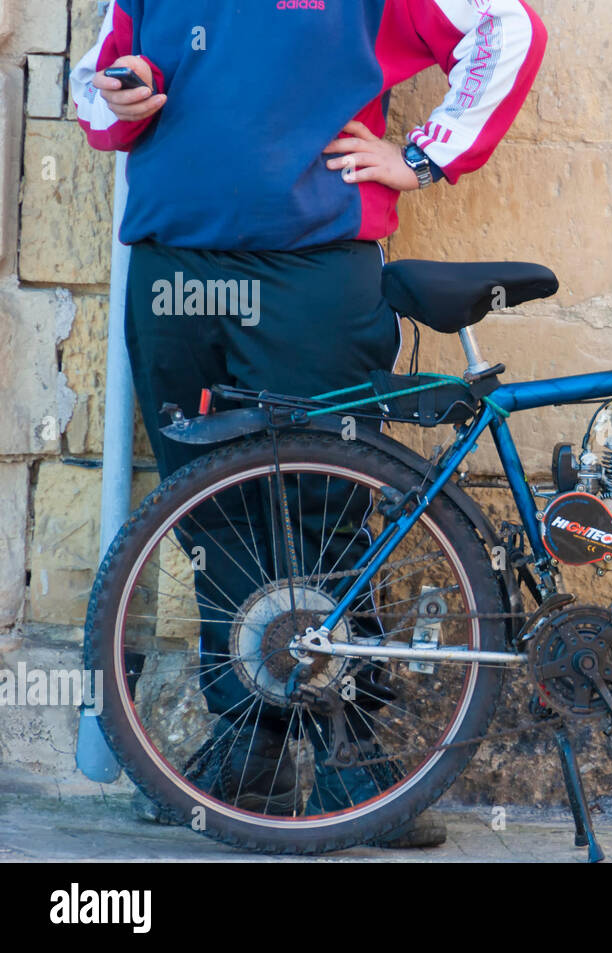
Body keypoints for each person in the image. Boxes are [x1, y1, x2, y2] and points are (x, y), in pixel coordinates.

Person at [72, 0, 547, 847]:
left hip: (312, 274)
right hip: (175, 273)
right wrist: (124, 97)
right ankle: (245, 746)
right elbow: (94, 92)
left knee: (331, 511)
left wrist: (422, 157)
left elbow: (507, 31)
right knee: (204, 516)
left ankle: (356, 760)